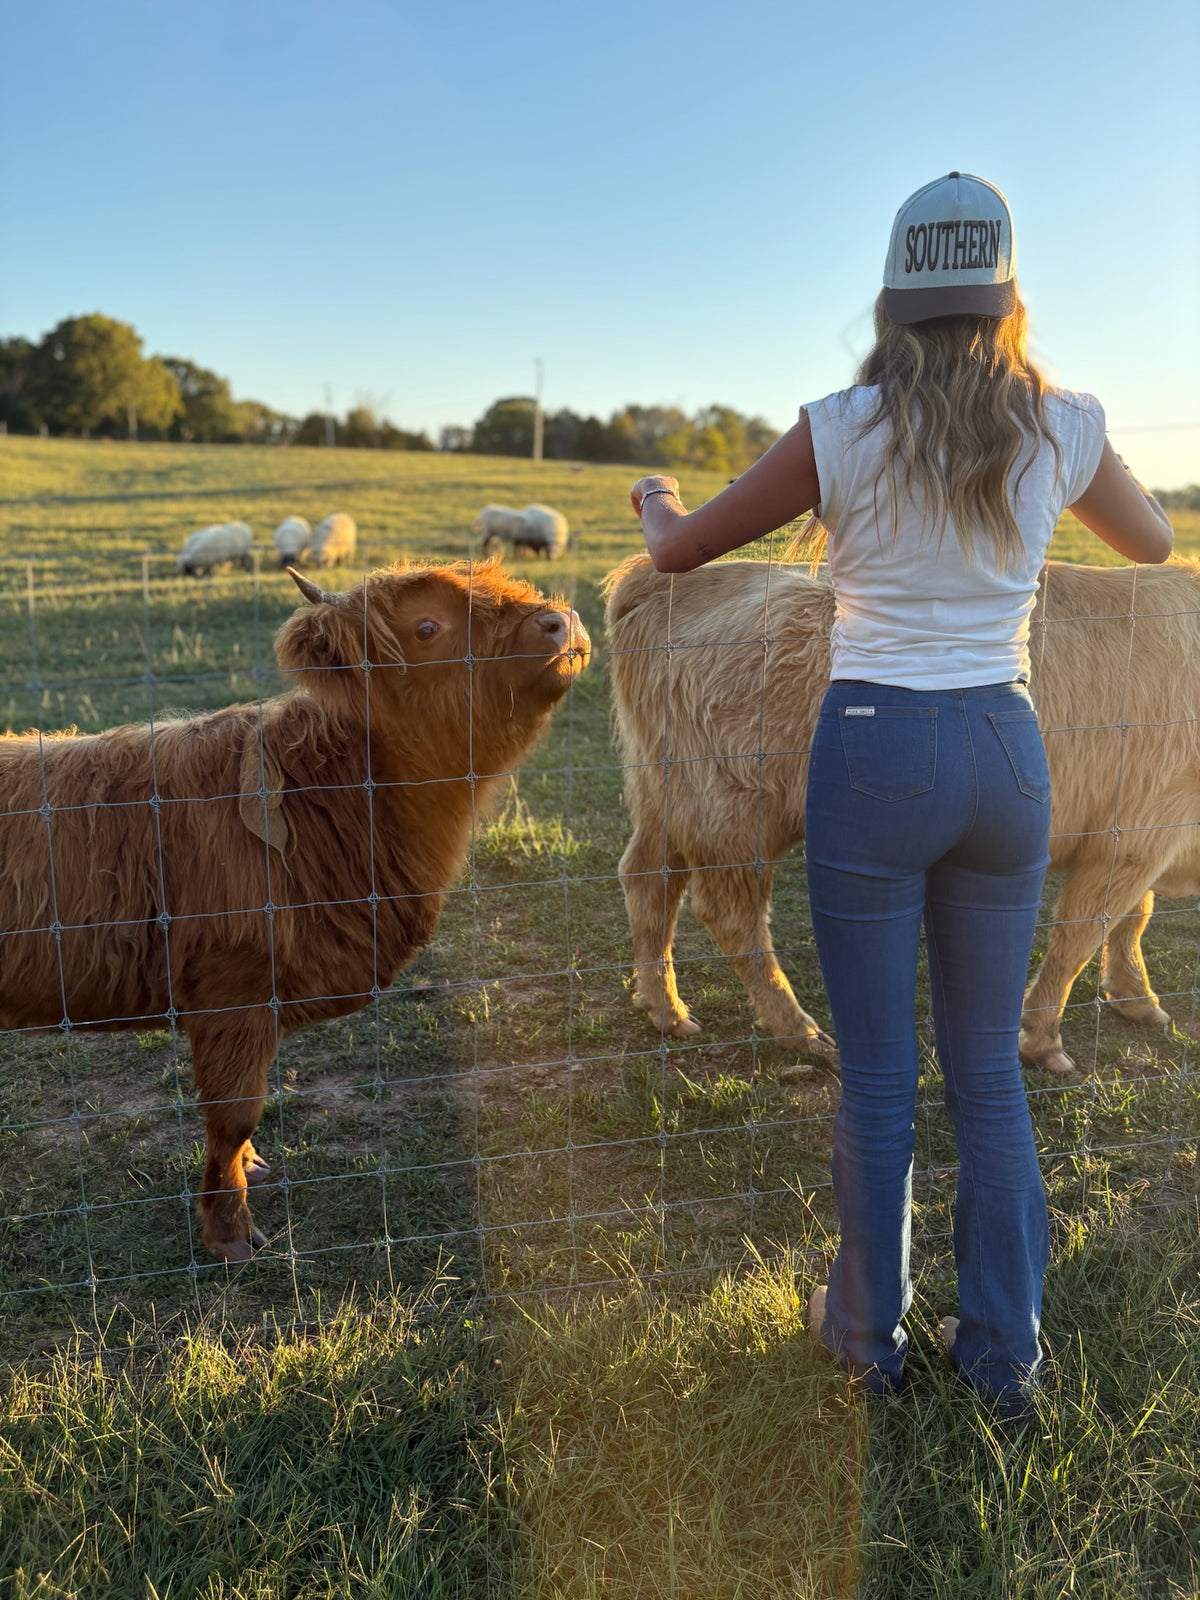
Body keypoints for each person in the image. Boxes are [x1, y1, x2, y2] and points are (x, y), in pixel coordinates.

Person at [630, 172, 1173, 1412]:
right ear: (1007, 293)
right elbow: (1147, 543)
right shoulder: (1062, 421)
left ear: (893, 297)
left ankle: (866, 1343)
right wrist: (1061, 456)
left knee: (879, 1077)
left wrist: (655, 498)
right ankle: (1004, 1359)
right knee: (988, 1071)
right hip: (1006, 747)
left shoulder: (841, 425)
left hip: (873, 745)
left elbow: (679, 552)